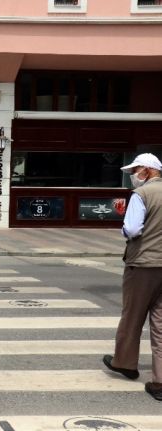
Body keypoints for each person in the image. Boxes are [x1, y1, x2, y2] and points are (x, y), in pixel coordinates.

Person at [103, 153, 162, 402]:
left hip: (144, 262)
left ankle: (125, 362)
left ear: (147, 171)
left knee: (132, 315)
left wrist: (125, 229)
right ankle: (159, 381)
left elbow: (133, 228)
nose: (132, 177)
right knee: (160, 323)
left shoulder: (142, 195)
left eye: (134, 171)